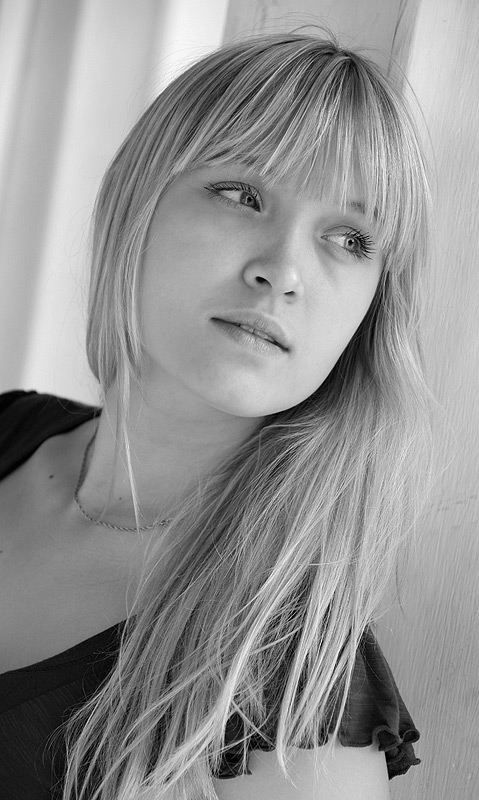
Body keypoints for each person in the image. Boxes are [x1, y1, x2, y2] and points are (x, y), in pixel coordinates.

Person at [0, 30, 432, 800]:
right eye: (242, 194)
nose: (283, 271)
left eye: (349, 238)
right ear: (136, 200)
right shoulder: (7, 431)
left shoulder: (296, 683)